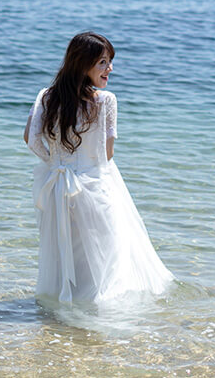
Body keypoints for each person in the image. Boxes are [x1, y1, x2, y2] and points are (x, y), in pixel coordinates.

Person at [24, 31, 174, 305]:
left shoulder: (46, 97)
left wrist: (56, 163)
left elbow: (31, 139)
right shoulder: (106, 101)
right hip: (93, 185)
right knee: (106, 255)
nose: (110, 69)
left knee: (64, 251)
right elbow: (108, 153)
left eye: (109, 62)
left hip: (55, 187)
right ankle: (94, 316)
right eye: (103, 62)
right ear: (84, 64)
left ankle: (62, 309)